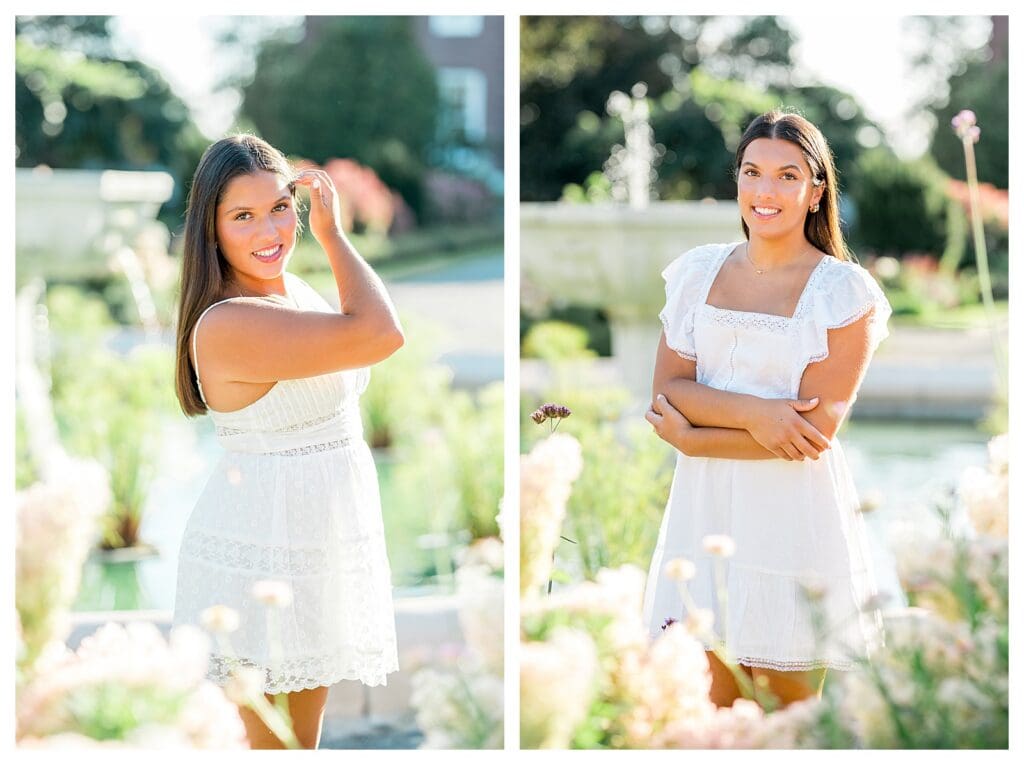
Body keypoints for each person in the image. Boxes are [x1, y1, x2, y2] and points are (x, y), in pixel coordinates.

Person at [643, 110, 891, 709]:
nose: (765, 191)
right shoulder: (697, 273)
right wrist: (758, 413)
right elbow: (666, 392)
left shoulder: (844, 293)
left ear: (815, 191)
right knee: (702, 726)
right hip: (703, 516)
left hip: (793, 524)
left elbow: (811, 436)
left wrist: (700, 437)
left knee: (786, 727)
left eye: (786, 176)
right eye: (752, 172)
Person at [171, 135, 404, 748]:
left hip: (312, 548)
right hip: (263, 553)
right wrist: (333, 235)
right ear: (211, 230)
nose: (268, 229)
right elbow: (381, 333)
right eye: (242, 216)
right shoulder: (232, 321)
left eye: (279, 207)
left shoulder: (289, 294)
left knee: (301, 748)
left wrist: (322, 233)